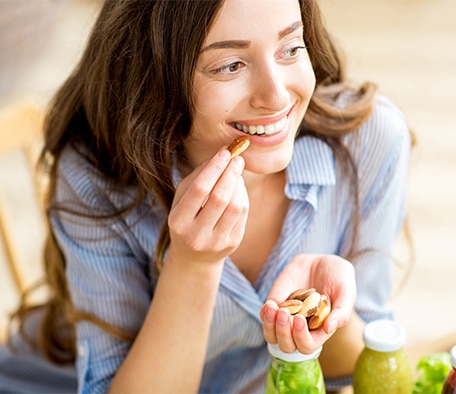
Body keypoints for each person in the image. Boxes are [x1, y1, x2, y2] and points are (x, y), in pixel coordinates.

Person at [0, 0, 412, 392]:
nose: (277, 96)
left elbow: (353, 370)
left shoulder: (370, 142)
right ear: (153, 77)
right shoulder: (95, 176)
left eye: (291, 47)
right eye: (230, 65)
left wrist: (318, 313)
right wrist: (192, 264)